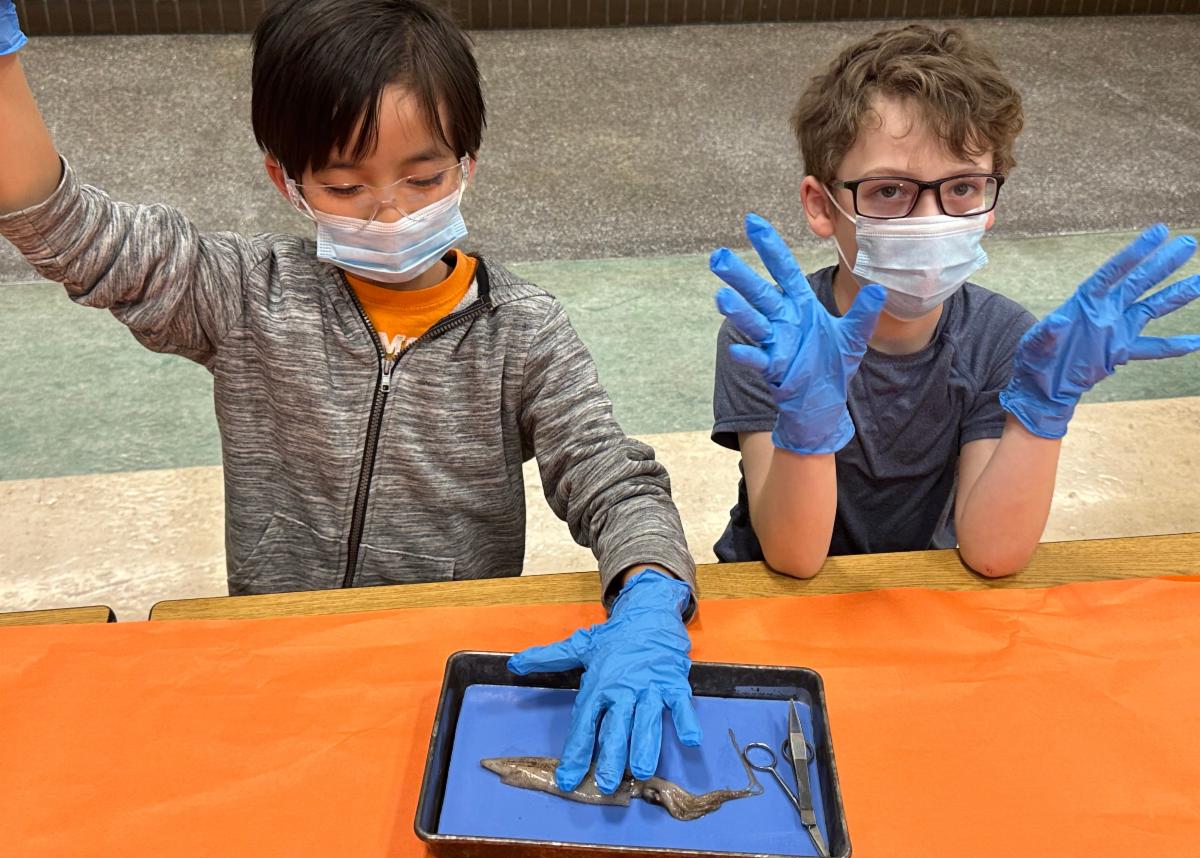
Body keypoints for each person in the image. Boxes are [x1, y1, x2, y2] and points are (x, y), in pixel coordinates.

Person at [0, 0, 699, 794]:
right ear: (287, 181)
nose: (391, 210)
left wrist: (650, 589)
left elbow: (613, 480)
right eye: (344, 184)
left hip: (443, 674)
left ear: (468, 163)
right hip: (278, 663)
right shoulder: (243, 294)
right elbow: (65, 229)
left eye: (424, 177)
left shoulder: (522, 330)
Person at [709, 24, 1200, 578]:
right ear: (822, 205)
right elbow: (794, 560)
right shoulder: (773, 338)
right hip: (777, 595)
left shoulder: (999, 337)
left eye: (962, 187)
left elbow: (993, 554)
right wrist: (807, 425)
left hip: (929, 588)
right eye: (889, 190)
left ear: (990, 197)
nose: (931, 220)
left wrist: (1041, 413)